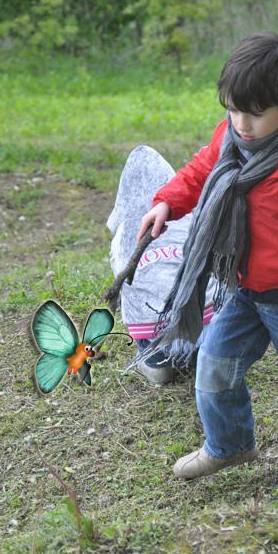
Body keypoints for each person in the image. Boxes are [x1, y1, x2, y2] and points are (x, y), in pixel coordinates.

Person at [137, 32, 278, 478]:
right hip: (242, 289)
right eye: (233, 109)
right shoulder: (233, 137)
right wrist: (167, 201)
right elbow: (201, 168)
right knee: (213, 365)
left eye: (255, 114)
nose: (241, 123)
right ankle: (230, 444)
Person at [107, 146, 216, 385]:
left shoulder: (126, 233)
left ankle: (156, 362)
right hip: (206, 326)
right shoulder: (192, 216)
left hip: (158, 332)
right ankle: (206, 351)